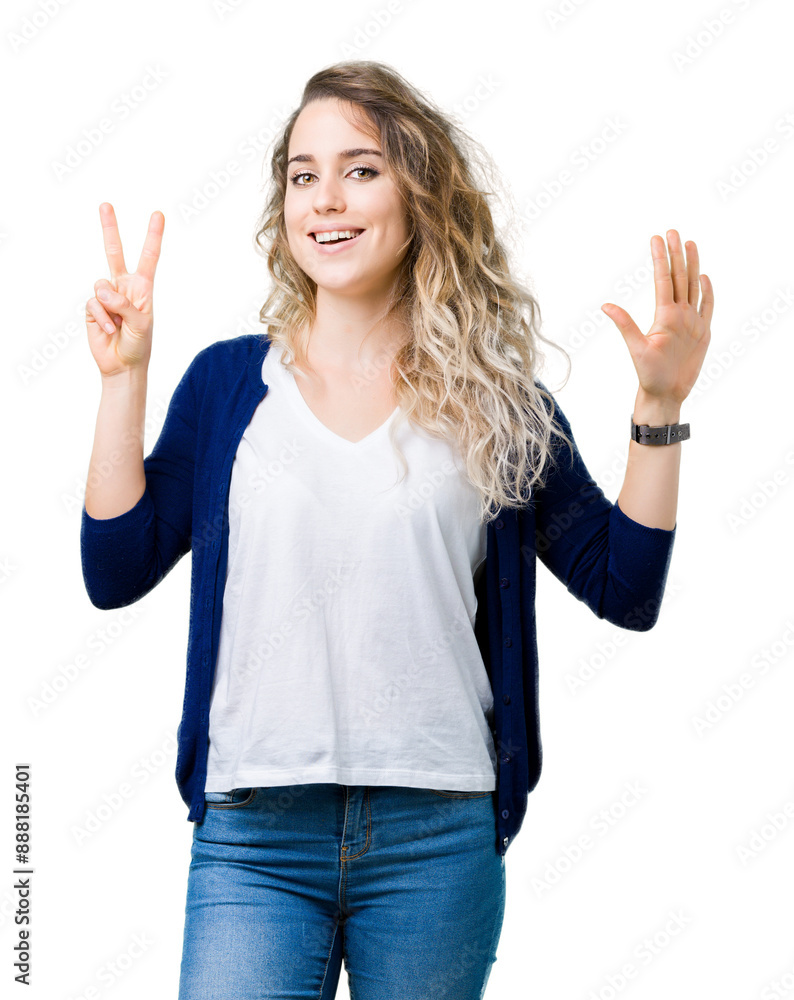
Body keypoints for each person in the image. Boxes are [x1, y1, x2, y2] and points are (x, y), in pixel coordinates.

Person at [80, 60, 713, 1000]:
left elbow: (626, 588)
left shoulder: (498, 404)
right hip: (254, 838)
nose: (326, 199)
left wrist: (659, 409)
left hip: (436, 842)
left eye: (361, 169)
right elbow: (115, 569)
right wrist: (123, 377)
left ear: (419, 193)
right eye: (303, 175)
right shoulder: (226, 386)